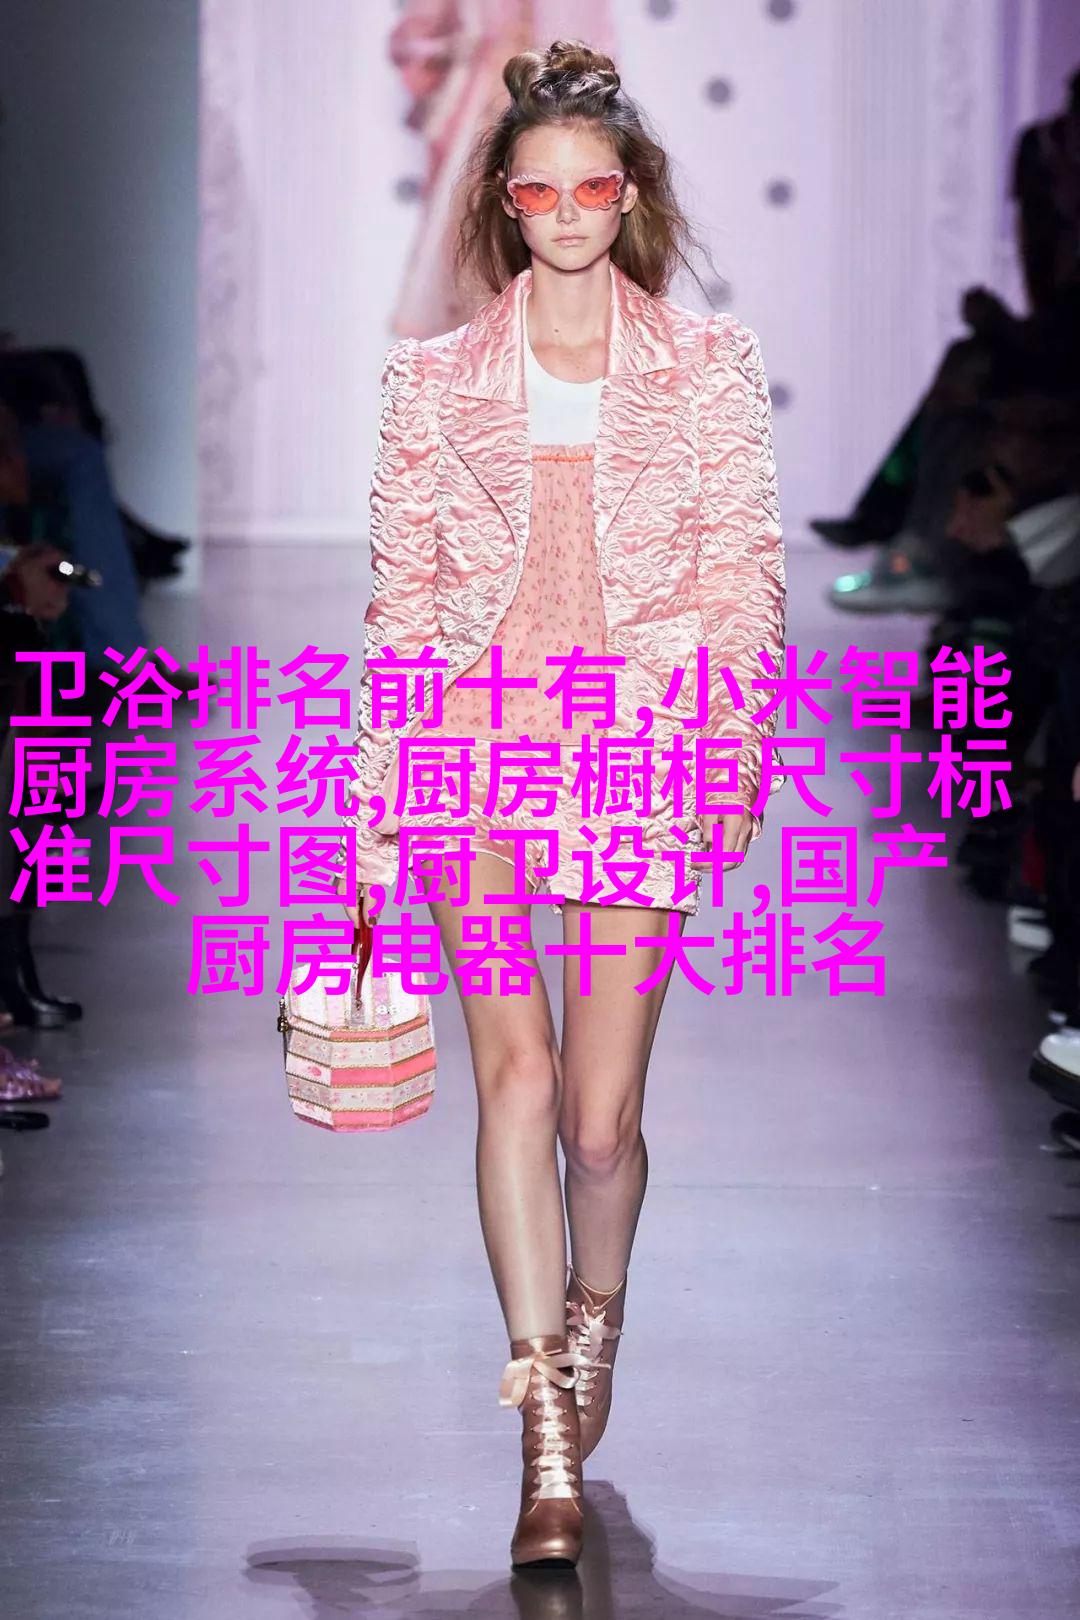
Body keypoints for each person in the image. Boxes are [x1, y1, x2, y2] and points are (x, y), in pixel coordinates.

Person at [337, 39, 786, 1571]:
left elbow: (740, 576)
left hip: (641, 743)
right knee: (514, 1083)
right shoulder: (432, 381)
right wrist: (379, 795)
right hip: (473, 745)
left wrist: (733, 754)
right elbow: (405, 599)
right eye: (542, 191)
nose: (572, 212)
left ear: (631, 194)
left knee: (601, 1124)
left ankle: (596, 1318)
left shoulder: (708, 368)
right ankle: (542, 1434)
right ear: (507, 203)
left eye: (596, 187)